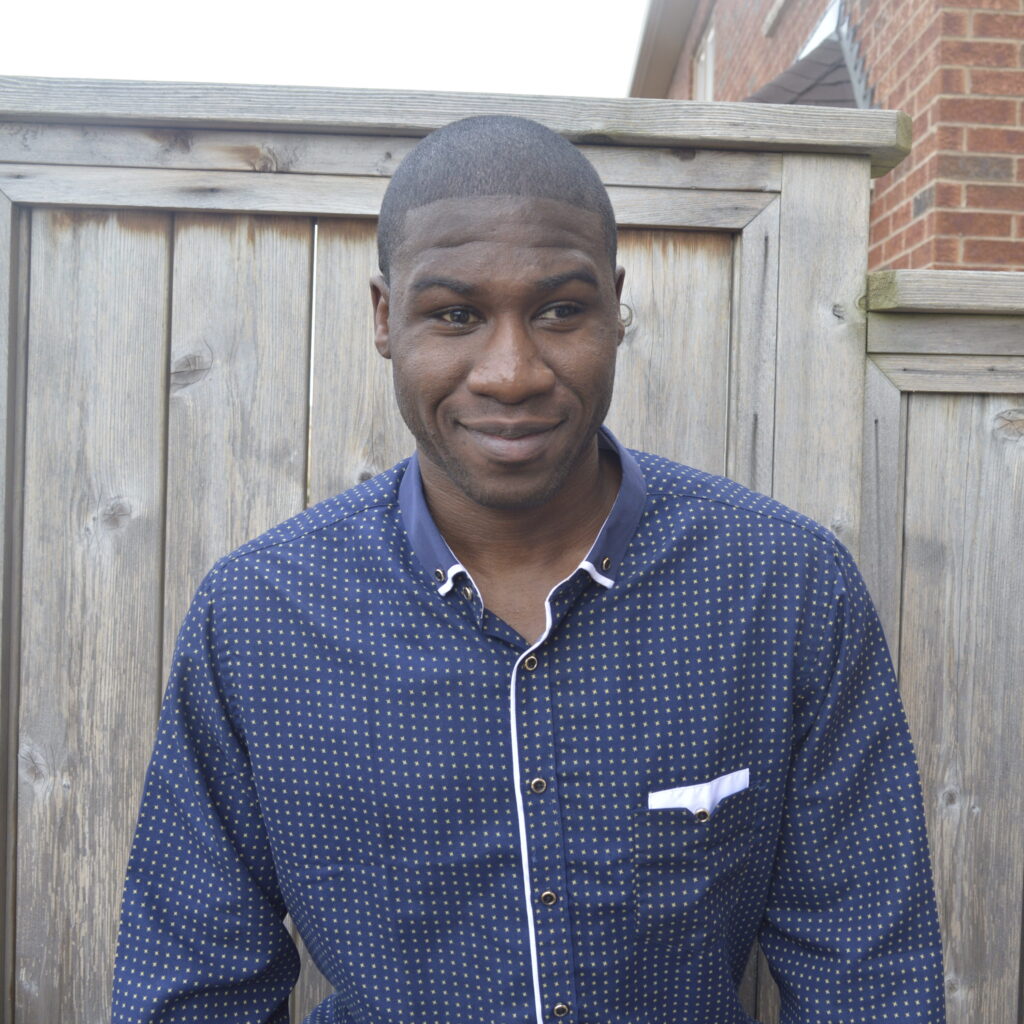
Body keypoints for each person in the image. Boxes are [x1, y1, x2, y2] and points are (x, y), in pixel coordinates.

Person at [111, 115, 945, 1023]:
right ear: (387, 319)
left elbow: (868, 980)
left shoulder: (782, 590)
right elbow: (195, 992)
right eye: (456, 314)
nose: (511, 372)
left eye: (558, 310)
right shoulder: (260, 620)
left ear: (614, 308)